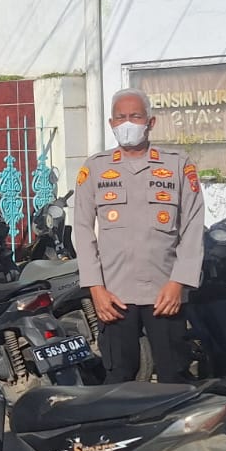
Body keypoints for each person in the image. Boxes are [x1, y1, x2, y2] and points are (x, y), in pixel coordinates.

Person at [72, 90, 204, 382]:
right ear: (111, 123)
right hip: (114, 295)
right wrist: (95, 289)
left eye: (135, 116)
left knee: (174, 376)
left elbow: (193, 226)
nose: (127, 123)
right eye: (121, 117)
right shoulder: (95, 168)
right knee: (119, 378)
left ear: (150, 122)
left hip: (164, 292)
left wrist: (179, 282)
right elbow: (82, 229)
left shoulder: (177, 164)